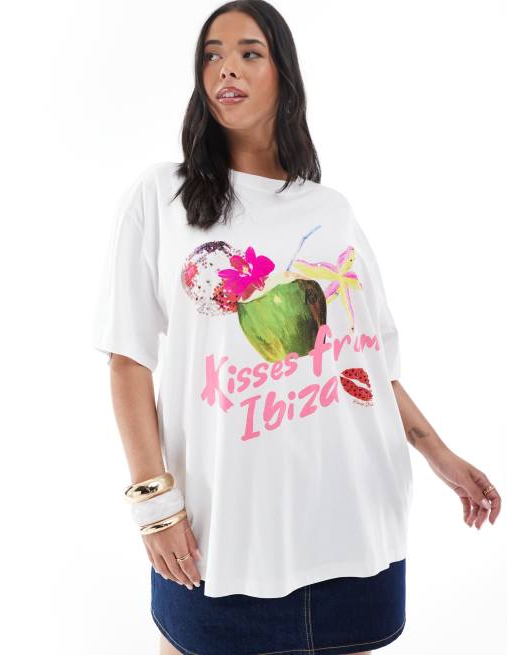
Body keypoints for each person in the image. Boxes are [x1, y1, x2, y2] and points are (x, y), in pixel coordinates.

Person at [91, 1, 501, 654]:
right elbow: (127, 358)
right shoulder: (162, 195)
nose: (226, 68)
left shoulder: (330, 212)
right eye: (211, 54)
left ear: (284, 73)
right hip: (218, 535)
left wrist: (439, 454)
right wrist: (153, 503)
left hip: (350, 526)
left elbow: (365, 362)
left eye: (248, 53)